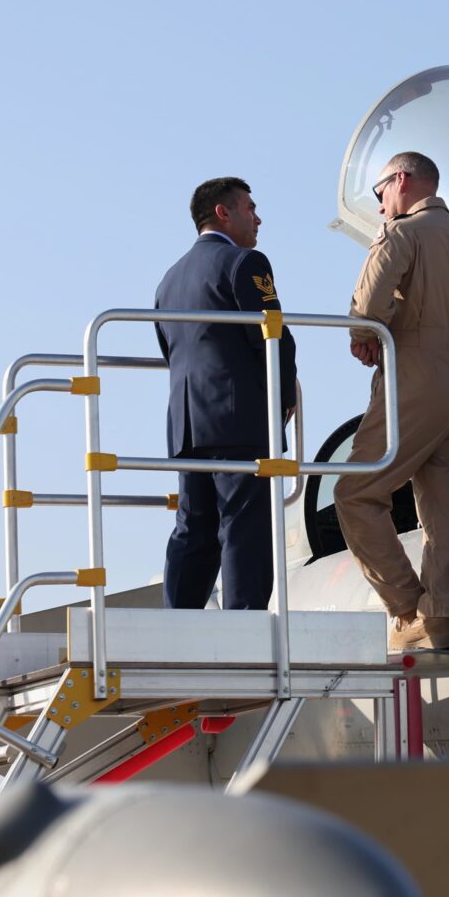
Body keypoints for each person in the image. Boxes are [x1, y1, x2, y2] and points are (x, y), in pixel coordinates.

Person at [335, 152, 449, 651]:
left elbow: (366, 310)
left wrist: (364, 335)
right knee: (445, 506)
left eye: (380, 191)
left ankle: (406, 608)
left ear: (400, 180)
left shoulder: (401, 234)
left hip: (416, 376)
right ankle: (442, 616)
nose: (380, 205)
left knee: (355, 493)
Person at [154, 176, 297, 610]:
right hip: (239, 420)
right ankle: (245, 627)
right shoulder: (245, 263)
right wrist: (285, 395)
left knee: (192, 527)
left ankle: (177, 621)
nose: (258, 218)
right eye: (249, 208)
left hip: (186, 424)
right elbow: (273, 338)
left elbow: (169, 349)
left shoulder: (168, 280)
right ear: (223, 212)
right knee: (244, 525)